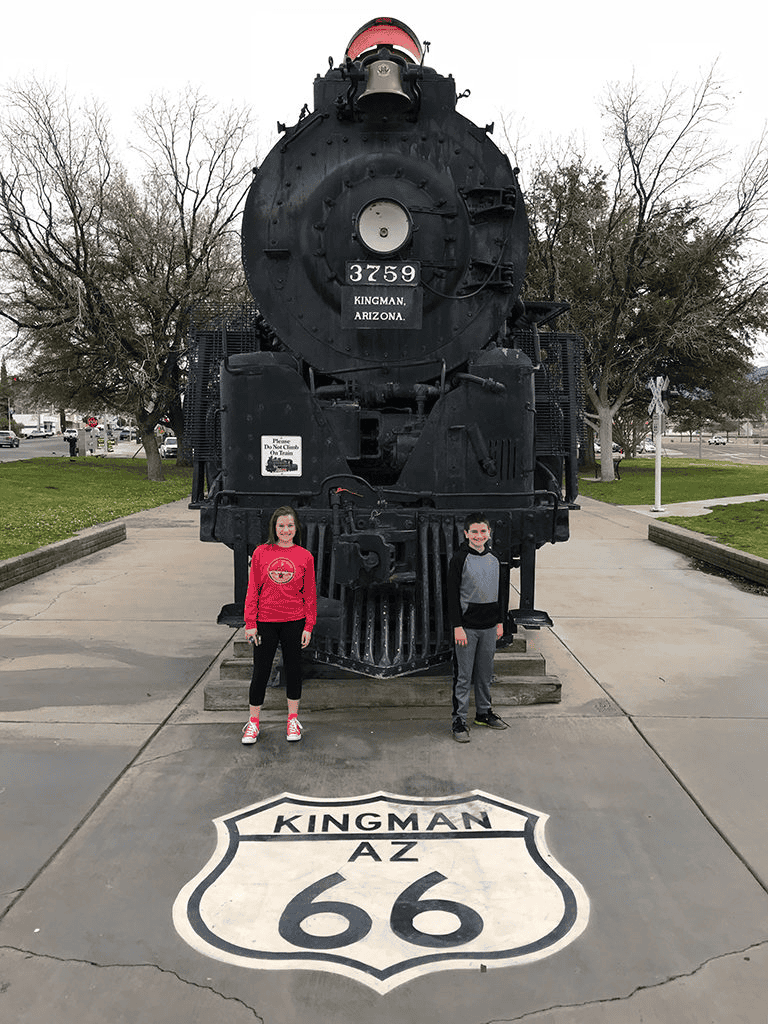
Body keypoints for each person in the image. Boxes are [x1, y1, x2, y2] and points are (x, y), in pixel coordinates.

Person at [241, 506, 317, 744]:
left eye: (290, 526)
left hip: (294, 621)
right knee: (261, 671)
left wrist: (308, 625)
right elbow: (253, 589)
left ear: (296, 528)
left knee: (294, 670)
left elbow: (310, 594)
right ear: (274, 528)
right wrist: (250, 622)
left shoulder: (305, 556)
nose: (286, 530)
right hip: (265, 622)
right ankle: (253, 722)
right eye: (281, 525)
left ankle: (292, 719)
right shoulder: (261, 553)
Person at [447, 512, 508, 742]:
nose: (479, 535)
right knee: (464, 675)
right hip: (467, 628)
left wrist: (500, 621)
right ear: (466, 534)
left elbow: (501, 593)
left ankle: (483, 713)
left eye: (483, 531)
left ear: (489, 533)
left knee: (485, 674)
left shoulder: (495, 558)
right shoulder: (459, 559)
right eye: (474, 531)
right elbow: (452, 595)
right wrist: (457, 626)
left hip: (490, 627)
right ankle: (459, 720)